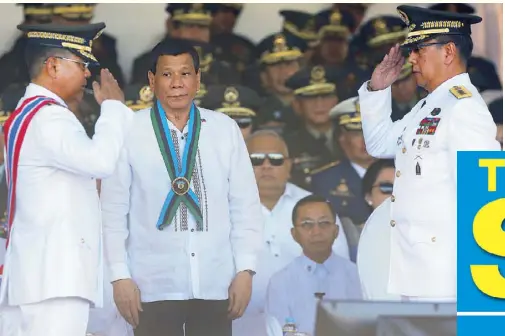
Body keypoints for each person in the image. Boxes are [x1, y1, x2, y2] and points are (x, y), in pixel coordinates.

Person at [100, 38, 263, 336]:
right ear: (152, 79)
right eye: (167, 74)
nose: (177, 83)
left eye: (185, 73)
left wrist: (245, 270)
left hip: (216, 282)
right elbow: (112, 212)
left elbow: (245, 206)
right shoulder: (128, 130)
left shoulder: (224, 129)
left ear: (198, 78)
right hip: (151, 285)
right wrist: (119, 276)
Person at [358, 5, 501, 301]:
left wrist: (483, 300)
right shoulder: (431, 106)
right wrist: (377, 90)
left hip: (447, 280)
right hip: (417, 273)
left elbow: (485, 201)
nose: (411, 58)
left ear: (448, 52)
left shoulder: (464, 109)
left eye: (419, 49)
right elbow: (380, 144)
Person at [0, 22, 133, 336]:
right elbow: (100, 162)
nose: (88, 74)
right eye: (82, 64)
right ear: (53, 66)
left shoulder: (29, 111)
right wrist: (113, 108)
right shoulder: (50, 117)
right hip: (54, 279)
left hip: (37, 277)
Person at [265, 195, 362, 335]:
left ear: (336, 231)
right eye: (307, 224)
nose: (316, 232)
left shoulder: (357, 275)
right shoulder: (280, 282)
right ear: (294, 234)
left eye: (324, 223)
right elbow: (280, 332)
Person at [310, 96, 375, 231]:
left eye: (371, 133)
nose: (366, 141)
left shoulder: (400, 173)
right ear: (342, 139)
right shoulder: (323, 180)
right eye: (357, 134)